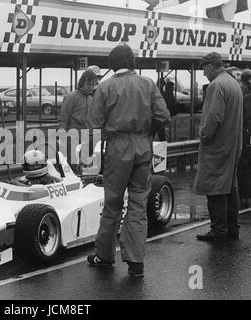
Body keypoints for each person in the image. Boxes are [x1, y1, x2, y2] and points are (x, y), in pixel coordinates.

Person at [85, 43, 170, 277]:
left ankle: (104, 255)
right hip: (143, 146)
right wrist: (146, 133)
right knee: (138, 204)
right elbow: (164, 116)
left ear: (112, 65)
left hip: (117, 148)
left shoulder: (105, 87)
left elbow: (94, 123)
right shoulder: (148, 83)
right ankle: (136, 262)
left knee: (112, 203)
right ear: (132, 62)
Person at [195, 52, 243, 241]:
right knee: (230, 187)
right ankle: (232, 228)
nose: (204, 75)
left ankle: (218, 229)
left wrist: (203, 136)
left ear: (209, 67)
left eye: (204, 70)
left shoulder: (216, 86)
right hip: (232, 145)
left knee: (214, 187)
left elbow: (212, 119)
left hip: (217, 146)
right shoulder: (233, 83)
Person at [59, 69, 97, 171]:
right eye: (89, 84)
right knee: (73, 162)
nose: (91, 87)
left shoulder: (91, 100)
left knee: (86, 163)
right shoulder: (71, 97)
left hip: (87, 136)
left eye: (93, 85)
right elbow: (63, 118)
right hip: (73, 135)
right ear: (82, 83)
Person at [237, 69, 251, 207]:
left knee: (244, 168)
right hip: (247, 138)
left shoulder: (245, 99)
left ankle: (245, 196)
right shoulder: (245, 97)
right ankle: (246, 196)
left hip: (246, 138)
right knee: (245, 168)